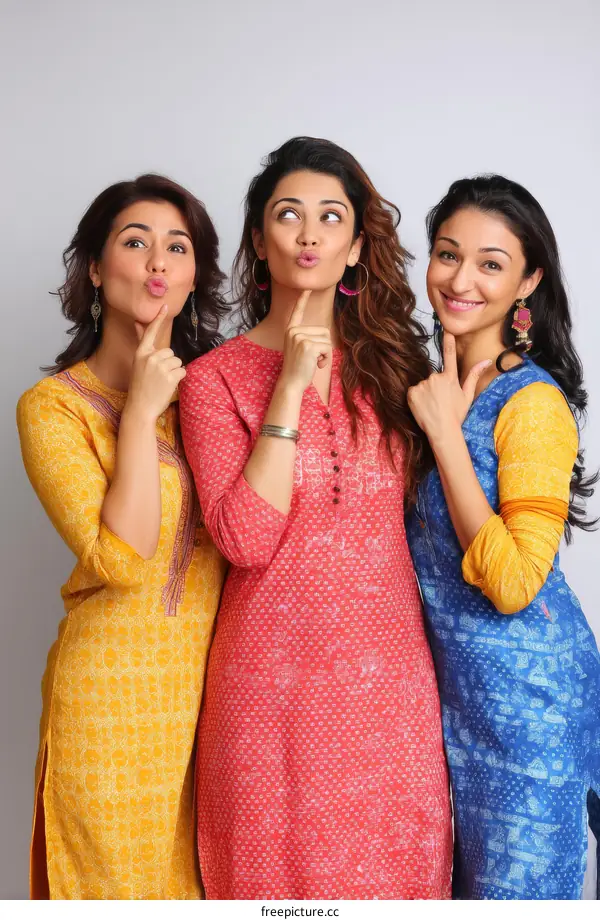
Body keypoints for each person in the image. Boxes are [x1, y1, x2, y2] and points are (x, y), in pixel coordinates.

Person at [179, 136, 453, 900]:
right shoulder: (213, 381)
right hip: (271, 698)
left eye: (330, 217)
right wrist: (290, 386)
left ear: (356, 247)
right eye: (288, 215)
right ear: (260, 245)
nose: (308, 233)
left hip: (391, 691)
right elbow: (245, 538)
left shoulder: (398, 369)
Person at [17, 174, 227, 899]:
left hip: (214, 714)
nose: (157, 264)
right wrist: (138, 414)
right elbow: (123, 559)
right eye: (135, 243)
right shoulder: (54, 410)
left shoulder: (219, 395)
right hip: (109, 713)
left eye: (178, 247)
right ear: (97, 270)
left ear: (197, 274)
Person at [406, 174, 600, 899]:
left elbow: (517, 582)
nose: (460, 280)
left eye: (491, 263)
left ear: (529, 281)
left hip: (530, 707)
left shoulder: (533, 402)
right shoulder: (435, 384)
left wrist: (447, 440)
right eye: (447, 254)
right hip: (452, 705)